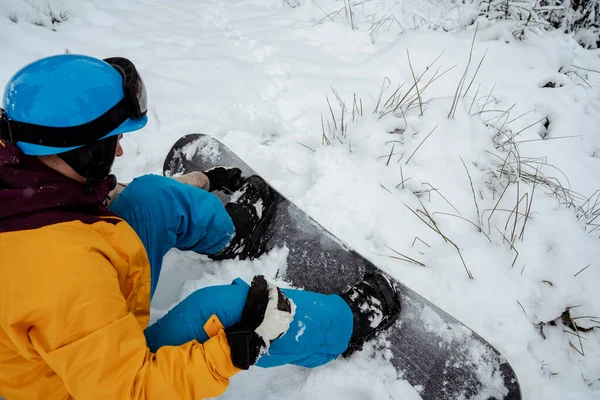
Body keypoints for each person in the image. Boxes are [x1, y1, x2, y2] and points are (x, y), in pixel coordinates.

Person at [0, 54, 401, 399]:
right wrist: (235, 348)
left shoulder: (22, 173)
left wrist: (201, 183)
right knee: (232, 311)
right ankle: (346, 325)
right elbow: (131, 391)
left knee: (151, 199)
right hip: (93, 385)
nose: (120, 150)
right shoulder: (62, 276)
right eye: (110, 143)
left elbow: (88, 207)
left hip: (82, 336)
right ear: (77, 152)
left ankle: (231, 235)